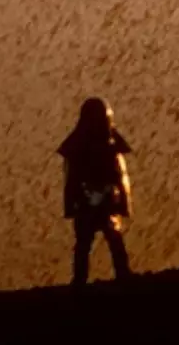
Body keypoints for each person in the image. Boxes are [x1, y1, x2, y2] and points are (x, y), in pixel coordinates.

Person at [58, 97, 133, 287]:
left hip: (107, 199)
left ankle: (122, 275)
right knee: (84, 243)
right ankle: (81, 280)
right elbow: (71, 177)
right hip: (86, 200)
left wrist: (124, 202)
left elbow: (120, 175)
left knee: (112, 239)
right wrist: (70, 204)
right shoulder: (78, 145)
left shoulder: (110, 143)